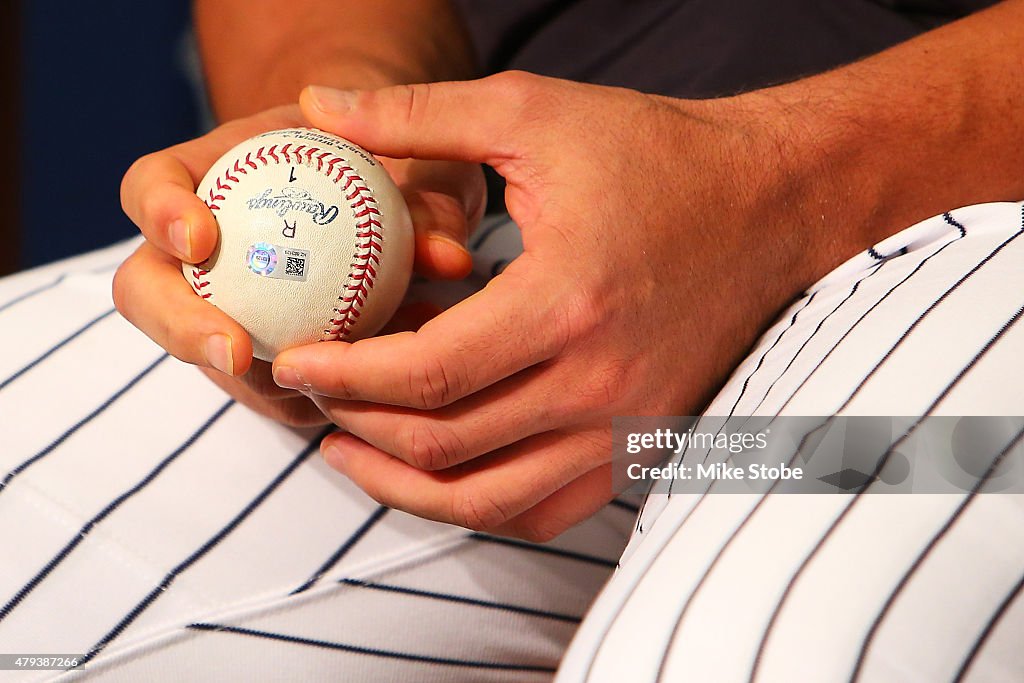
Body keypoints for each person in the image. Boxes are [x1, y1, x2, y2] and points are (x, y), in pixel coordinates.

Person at [4, 0, 1023, 679]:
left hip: (956, 218)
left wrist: (780, 184)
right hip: (519, 243)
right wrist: (358, 128)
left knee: (759, 652)